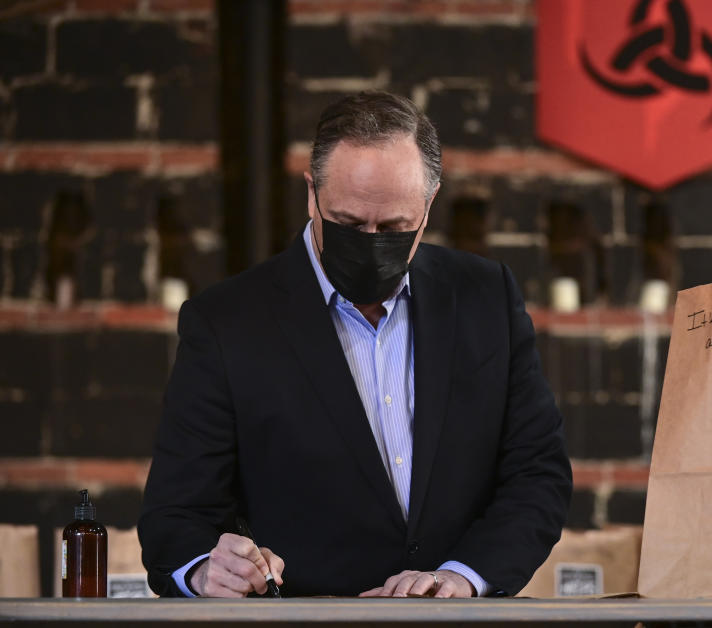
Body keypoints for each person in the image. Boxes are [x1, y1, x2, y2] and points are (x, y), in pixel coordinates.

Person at [138, 91, 572, 598]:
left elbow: (537, 474)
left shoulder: (486, 297)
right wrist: (206, 571)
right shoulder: (226, 322)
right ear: (311, 193)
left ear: (429, 204)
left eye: (393, 227)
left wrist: (462, 577)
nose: (370, 241)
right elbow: (176, 516)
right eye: (347, 223)